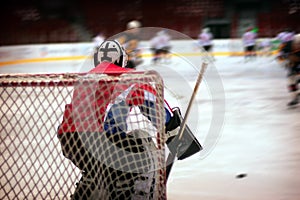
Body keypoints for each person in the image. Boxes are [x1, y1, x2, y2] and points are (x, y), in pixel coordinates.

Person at [57, 39, 202, 199]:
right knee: (142, 155)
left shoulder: (86, 78)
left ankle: (88, 189)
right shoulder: (126, 77)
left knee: (99, 170)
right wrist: (172, 126)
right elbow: (151, 101)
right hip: (99, 139)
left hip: (69, 140)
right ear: (121, 59)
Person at [283, 33, 300, 106]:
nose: (298, 46)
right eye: (297, 44)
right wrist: (287, 59)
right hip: (293, 65)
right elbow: (282, 54)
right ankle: (295, 97)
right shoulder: (288, 45)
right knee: (291, 81)